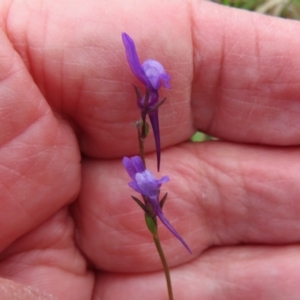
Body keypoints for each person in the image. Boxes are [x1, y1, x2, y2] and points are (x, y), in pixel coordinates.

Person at [0, 0, 299, 299]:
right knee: (155, 199)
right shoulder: (142, 127)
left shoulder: (146, 114)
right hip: (144, 169)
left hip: (147, 161)